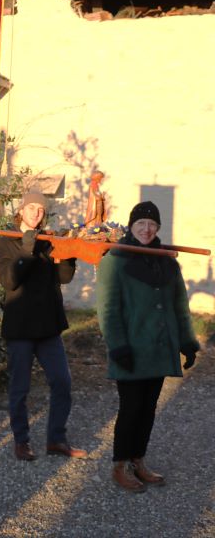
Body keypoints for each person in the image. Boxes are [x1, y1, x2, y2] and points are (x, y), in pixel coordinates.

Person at [96, 201, 200, 492]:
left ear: (158, 228)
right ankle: (119, 465)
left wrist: (187, 343)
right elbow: (107, 308)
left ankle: (138, 460)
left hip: (158, 349)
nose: (146, 228)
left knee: (148, 409)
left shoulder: (167, 261)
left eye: (152, 224)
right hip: (131, 348)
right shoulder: (115, 259)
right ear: (131, 226)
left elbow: (179, 305)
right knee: (130, 409)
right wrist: (117, 347)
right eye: (140, 223)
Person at [0, 191, 87, 461]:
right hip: (21, 328)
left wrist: (69, 252)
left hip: (48, 327)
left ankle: (56, 439)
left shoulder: (48, 239)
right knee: (20, 387)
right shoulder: (7, 241)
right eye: (30, 207)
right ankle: (21, 441)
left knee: (62, 382)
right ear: (21, 211)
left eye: (40, 209)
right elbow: (10, 281)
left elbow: (63, 277)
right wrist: (26, 248)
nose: (35, 212)